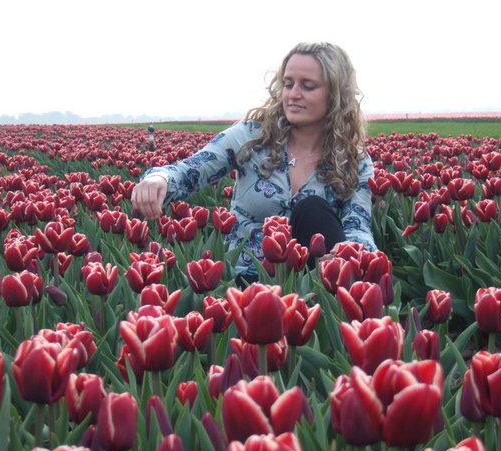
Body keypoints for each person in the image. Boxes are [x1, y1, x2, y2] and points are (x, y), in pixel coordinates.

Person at [131, 42, 377, 285]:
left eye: (308, 86)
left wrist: (353, 256)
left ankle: (345, 301)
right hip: (246, 280)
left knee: (313, 209)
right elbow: (194, 169)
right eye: (288, 84)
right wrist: (160, 178)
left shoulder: (352, 160)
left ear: (335, 94)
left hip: (311, 284)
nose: (293, 94)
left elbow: (358, 225)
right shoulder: (252, 137)